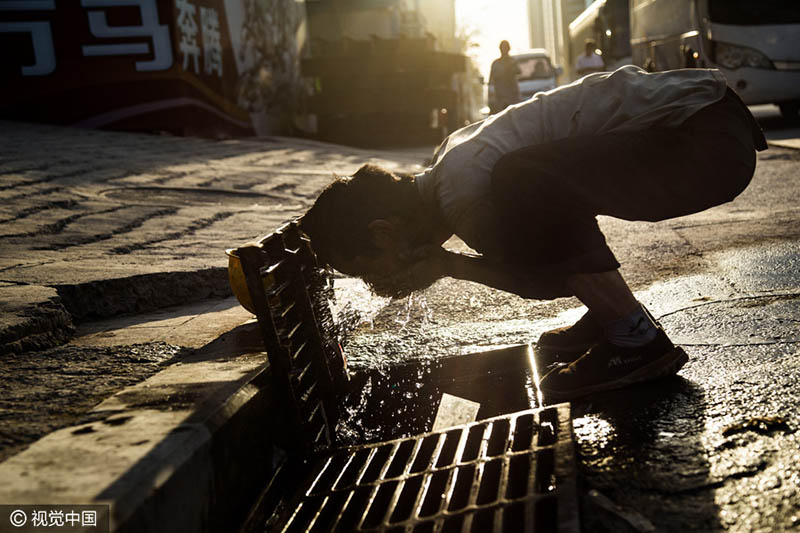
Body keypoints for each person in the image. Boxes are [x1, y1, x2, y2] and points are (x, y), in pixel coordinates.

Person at [299, 66, 767, 402]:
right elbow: (552, 244)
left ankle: (634, 336)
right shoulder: (448, 161)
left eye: (366, 272)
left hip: (703, 141)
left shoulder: (462, 194)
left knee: (524, 178)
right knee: (535, 189)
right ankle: (611, 315)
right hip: (709, 120)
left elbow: (545, 278)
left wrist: (449, 266)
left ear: (382, 233)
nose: (376, 287)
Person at [488, 40, 521, 114]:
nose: (504, 50)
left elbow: (519, 71)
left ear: (508, 49)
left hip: (513, 97)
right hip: (500, 98)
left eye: (505, 48)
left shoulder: (513, 62)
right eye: (502, 48)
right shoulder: (496, 64)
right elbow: (492, 80)